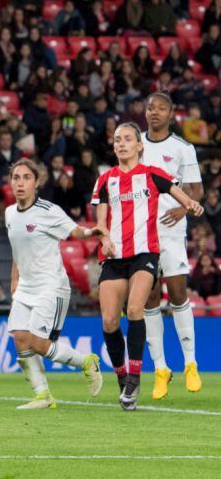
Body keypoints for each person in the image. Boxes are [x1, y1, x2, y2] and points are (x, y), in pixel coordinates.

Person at [91, 123, 203, 411]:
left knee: (135, 310)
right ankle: (121, 376)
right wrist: (104, 238)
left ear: (139, 145)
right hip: (115, 258)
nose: (122, 144)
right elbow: (101, 222)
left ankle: (135, 379)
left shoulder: (152, 174)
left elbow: (181, 195)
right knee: (109, 322)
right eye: (117, 140)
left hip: (145, 254)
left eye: (128, 139)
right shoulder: (105, 180)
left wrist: (192, 205)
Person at [5, 159, 104, 410]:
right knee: (19, 338)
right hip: (26, 287)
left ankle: (86, 362)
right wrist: (14, 278)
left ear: (37, 183)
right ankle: (43, 395)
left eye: (26, 177)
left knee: (38, 344)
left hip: (51, 286)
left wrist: (95, 231)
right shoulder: (9, 213)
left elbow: (75, 231)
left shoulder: (48, 211)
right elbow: (18, 249)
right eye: (16, 177)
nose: (20, 183)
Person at [140, 93, 205, 399]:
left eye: (161, 108)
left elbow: (196, 189)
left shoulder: (182, 148)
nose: (154, 112)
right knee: (149, 298)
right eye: (151, 107)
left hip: (171, 229)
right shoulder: (134, 143)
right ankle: (161, 369)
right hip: (140, 231)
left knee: (178, 292)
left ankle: (190, 363)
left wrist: (183, 208)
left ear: (170, 114)